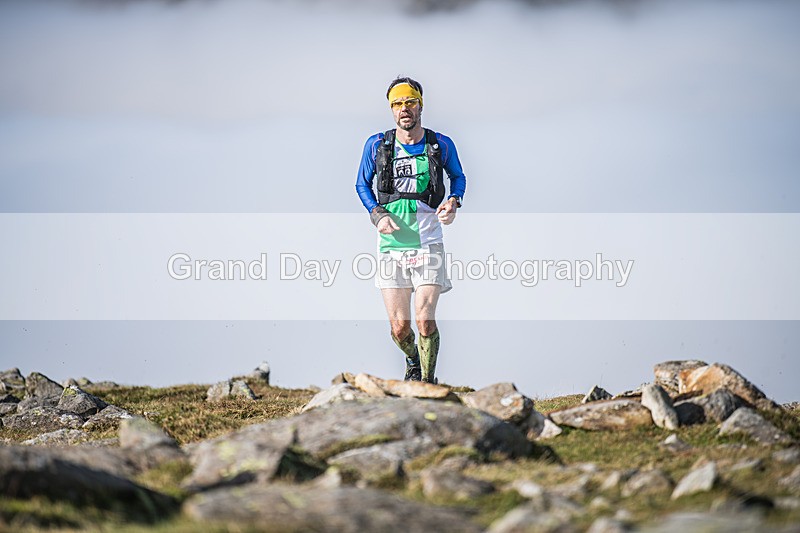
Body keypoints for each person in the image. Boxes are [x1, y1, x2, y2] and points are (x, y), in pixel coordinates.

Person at [355, 76, 466, 383]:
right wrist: (377, 215)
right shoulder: (377, 145)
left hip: (428, 241)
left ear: (420, 105)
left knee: (424, 320)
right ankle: (413, 361)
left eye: (409, 102)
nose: (404, 109)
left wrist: (454, 201)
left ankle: (428, 383)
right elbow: (361, 184)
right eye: (397, 104)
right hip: (391, 245)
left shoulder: (440, 144)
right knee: (400, 328)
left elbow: (458, 177)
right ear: (391, 109)